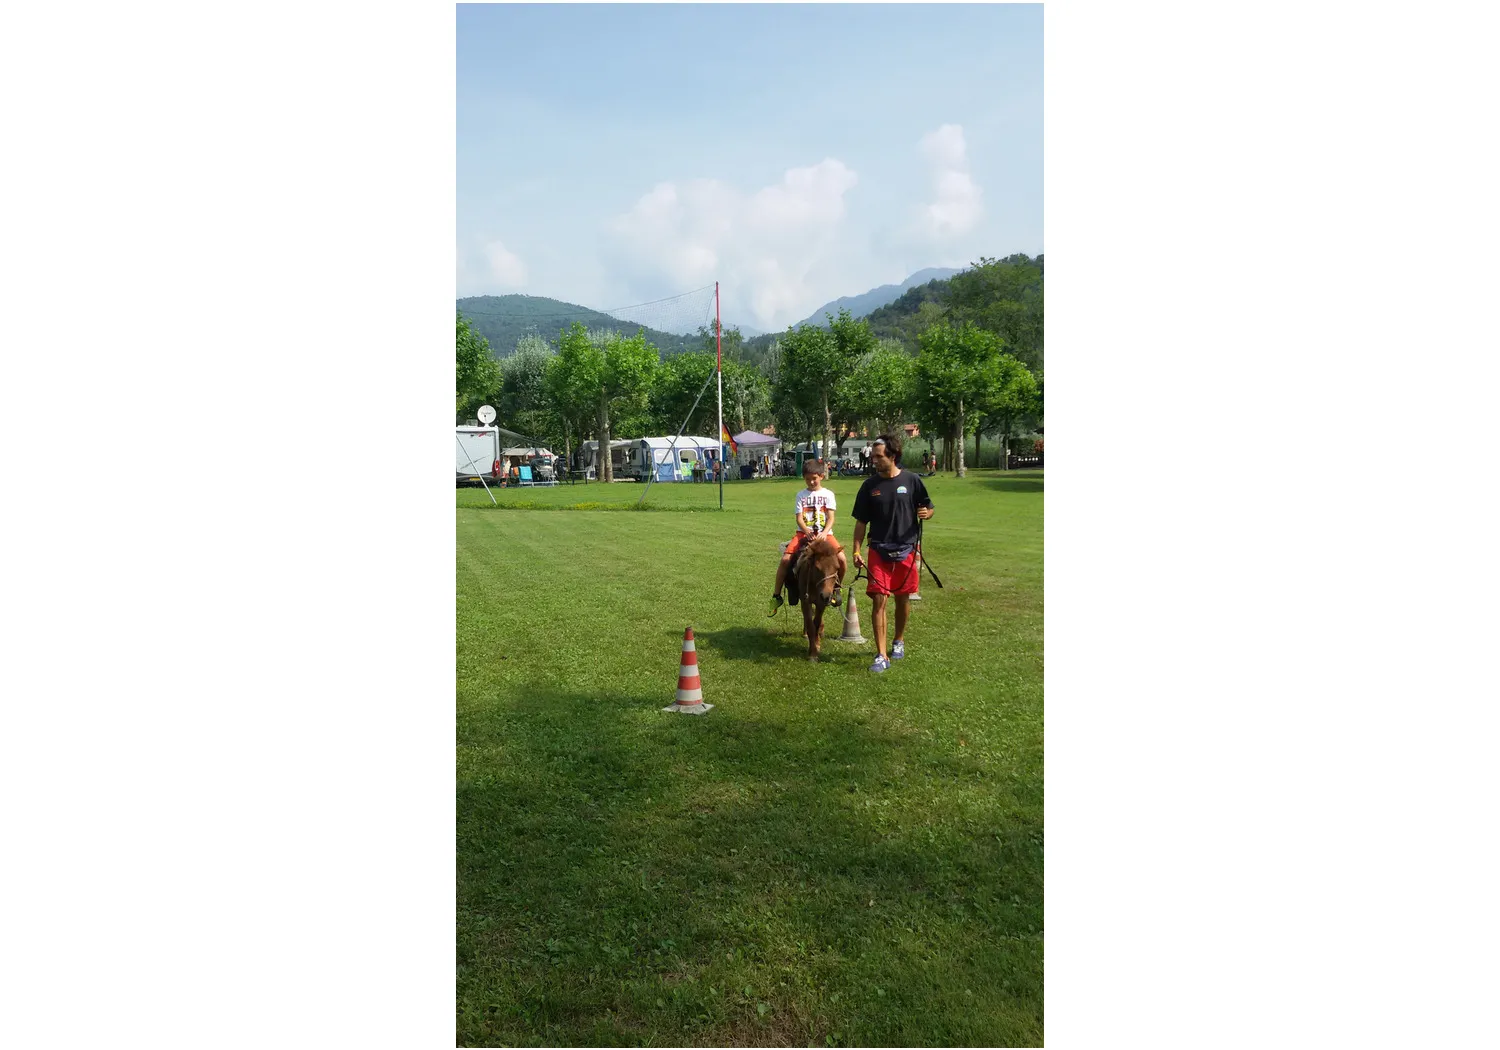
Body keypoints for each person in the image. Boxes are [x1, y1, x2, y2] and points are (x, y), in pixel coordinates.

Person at [850, 432, 935, 673]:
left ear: (893, 456)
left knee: (902, 599)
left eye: (879, 456)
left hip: (906, 549)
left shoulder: (912, 481)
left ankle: (898, 639)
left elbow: (928, 507)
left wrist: (927, 513)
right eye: (873, 456)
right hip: (879, 549)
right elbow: (861, 522)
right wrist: (856, 550)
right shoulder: (869, 486)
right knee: (879, 600)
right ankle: (881, 655)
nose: (874, 460)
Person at [767, 458, 848, 616]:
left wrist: (824, 532)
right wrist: (806, 531)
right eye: (807, 479)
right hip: (803, 533)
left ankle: (836, 588)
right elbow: (799, 518)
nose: (811, 482)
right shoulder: (801, 495)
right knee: (785, 560)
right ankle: (776, 595)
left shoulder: (828, 494)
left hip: (825, 534)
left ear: (821, 476)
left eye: (814, 478)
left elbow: (831, 518)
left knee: (842, 559)